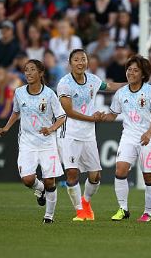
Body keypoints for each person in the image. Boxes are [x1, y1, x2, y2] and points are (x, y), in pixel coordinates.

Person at [57, 48, 125, 221]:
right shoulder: (64, 84)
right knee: (72, 174)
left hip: (88, 135)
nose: (81, 63)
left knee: (95, 176)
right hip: (69, 133)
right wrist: (92, 118)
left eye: (83, 59)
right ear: (70, 63)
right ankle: (80, 211)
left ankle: (86, 202)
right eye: (77, 60)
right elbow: (68, 111)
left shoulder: (93, 80)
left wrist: (132, 84)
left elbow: (109, 86)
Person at [0, 59, 66, 223]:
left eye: (32, 69)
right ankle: (39, 188)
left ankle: (49, 216)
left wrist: (50, 129)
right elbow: (15, 112)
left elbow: (62, 116)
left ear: (40, 73)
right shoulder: (19, 92)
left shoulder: (49, 94)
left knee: (50, 181)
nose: (28, 73)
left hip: (47, 143)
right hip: (27, 142)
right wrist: (6, 128)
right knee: (27, 180)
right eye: (26, 70)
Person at [100, 55, 151, 222]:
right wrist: (97, 117)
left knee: (149, 176)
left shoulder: (150, 92)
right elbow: (112, 116)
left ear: (143, 74)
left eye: (135, 70)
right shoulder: (121, 93)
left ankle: (148, 212)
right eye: (129, 70)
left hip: (147, 138)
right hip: (128, 137)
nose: (131, 73)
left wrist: (149, 133)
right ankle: (123, 209)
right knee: (120, 170)